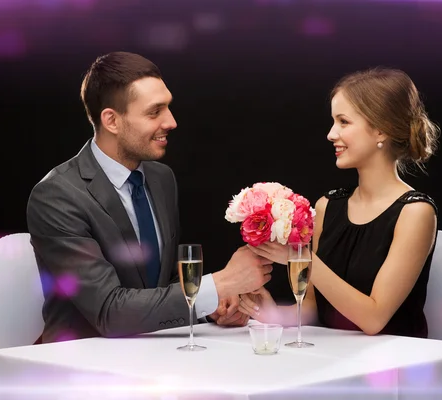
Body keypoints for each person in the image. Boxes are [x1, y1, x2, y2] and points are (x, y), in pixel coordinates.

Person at [27, 52, 273, 343]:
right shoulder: (57, 196)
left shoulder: (161, 178)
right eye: (155, 112)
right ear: (112, 120)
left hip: (155, 357)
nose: (172, 122)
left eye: (168, 107)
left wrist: (209, 307)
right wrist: (222, 283)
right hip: (82, 367)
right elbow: (109, 312)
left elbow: (160, 284)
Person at [239, 67, 439, 338]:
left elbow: (374, 319)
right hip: (337, 356)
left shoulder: (415, 212)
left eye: (343, 122)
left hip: (393, 366)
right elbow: (312, 309)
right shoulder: (327, 206)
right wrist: (266, 312)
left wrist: (301, 259)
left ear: (381, 130)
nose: (331, 134)